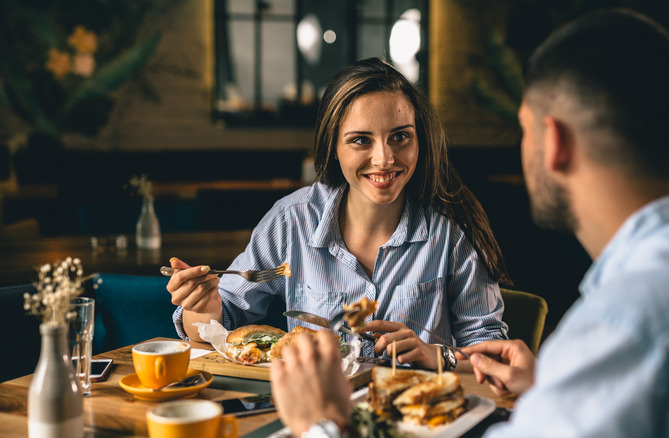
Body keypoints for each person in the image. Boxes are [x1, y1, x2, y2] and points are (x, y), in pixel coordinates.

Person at [269, 8, 669, 438]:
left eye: (522, 130)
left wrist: (322, 425)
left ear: (553, 141)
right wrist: (546, 392)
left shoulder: (623, 324)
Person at [166, 58, 510, 370]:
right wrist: (205, 308)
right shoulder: (291, 221)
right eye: (361, 140)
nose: (384, 159)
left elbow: (493, 352)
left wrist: (436, 354)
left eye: (400, 137)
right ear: (333, 146)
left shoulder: (452, 229)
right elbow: (218, 323)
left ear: (420, 139)